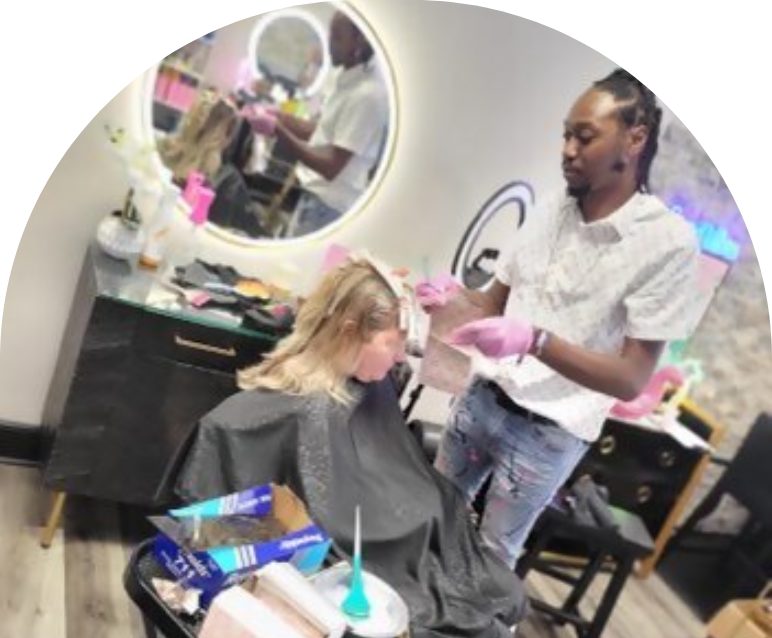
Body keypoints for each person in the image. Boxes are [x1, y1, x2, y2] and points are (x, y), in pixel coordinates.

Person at [416, 68, 702, 569]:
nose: (568, 149)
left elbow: (631, 379)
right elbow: (493, 304)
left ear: (635, 139)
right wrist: (449, 297)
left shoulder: (667, 243)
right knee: (430, 522)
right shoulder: (551, 208)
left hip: (547, 433)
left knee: (489, 563)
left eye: (584, 136)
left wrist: (536, 340)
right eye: (566, 134)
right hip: (482, 399)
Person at [175, 254, 527, 638]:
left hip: (415, 536)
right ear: (348, 330)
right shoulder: (251, 422)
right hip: (355, 567)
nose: (399, 356)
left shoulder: (367, 385)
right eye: (394, 343)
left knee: (504, 595)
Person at [246, 10, 389, 237]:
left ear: (358, 41)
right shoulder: (347, 83)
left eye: (337, 37)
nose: (328, 43)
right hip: (313, 199)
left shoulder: (367, 96)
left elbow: (331, 165)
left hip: (326, 207)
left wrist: (278, 130)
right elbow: (322, 133)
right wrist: (279, 116)